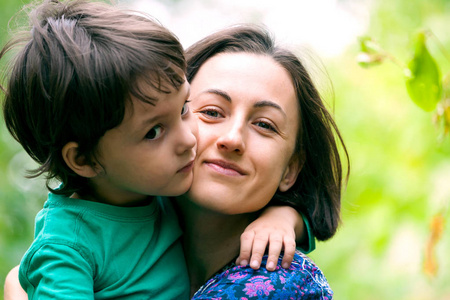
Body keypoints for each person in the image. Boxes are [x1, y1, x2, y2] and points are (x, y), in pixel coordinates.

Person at [1, 1, 311, 299]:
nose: (188, 138)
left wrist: (284, 217)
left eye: (183, 109)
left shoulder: (151, 191)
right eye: (153, 132)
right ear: (83, 158)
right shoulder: (68, 248)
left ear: (291, 169)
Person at [174, 24, 349, 298]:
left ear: (290, 170)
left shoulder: (281, 285)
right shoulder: (104, 226)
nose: (232, 139)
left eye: (265, 125)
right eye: (211, 111)